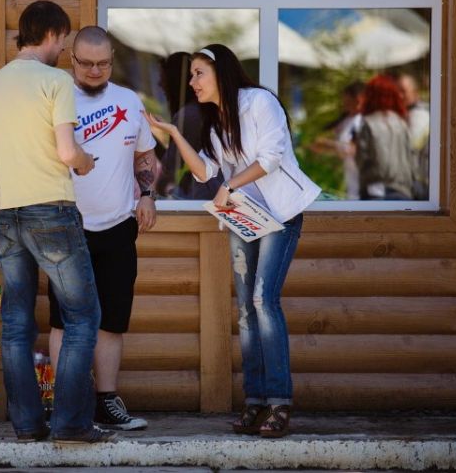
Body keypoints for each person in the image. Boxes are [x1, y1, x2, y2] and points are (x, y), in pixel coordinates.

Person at [144, 44, 320, 438]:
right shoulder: (215, 123)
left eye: (199, 74)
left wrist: (230, 185)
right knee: (245, 310)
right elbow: (205, 171)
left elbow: (271, 157)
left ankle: (279, 402)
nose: (192, 82)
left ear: (220, 72)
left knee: (262, 301)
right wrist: (174, 134)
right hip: (247, 219)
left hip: (280, 216)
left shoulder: (259, 102)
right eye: (191, 75)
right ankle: (255, 401)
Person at [0, 0, 114, 444]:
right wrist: (85, 162)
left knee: (16, 324)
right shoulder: (56, 81)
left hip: (9, 215)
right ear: (52, 34)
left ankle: (28, 426)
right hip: (52, 211)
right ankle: (70, 423)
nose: (63, 48)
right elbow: (68, 152)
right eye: (64, 40)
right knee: (83, 317)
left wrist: (19, 160)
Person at [47, 26, 156, 432]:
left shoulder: (129, 100)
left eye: (103, 64)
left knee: (112, 319)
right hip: (65, 226)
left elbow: (144, 154)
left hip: (118, 226)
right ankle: (66, 403)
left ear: (113, 60)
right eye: (87, 63)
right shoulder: (55, 98)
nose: (95, 71)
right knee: (63, 320)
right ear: (71, 59)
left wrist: (148, 194)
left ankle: (106, 402)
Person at [156, 52, 222, 199]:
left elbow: (171, 166)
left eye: (164, 79)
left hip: (205, 199)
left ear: (175, 82)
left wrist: (146, 135)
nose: (160, 84)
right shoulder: (205, 111)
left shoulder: (189, 115)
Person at [355, 75, 414, 200]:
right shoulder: (402, 124)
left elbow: (361, 159)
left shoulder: (368, 123)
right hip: (403, 191)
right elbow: (410, 157)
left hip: (375, 191)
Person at [397, 73, 430, 200]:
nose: (399, 95)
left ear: (415, 92)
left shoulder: (420, 114)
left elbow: (411, 144)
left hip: (421, 187)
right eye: (397, 91)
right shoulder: (407, 113)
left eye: (403, 91)